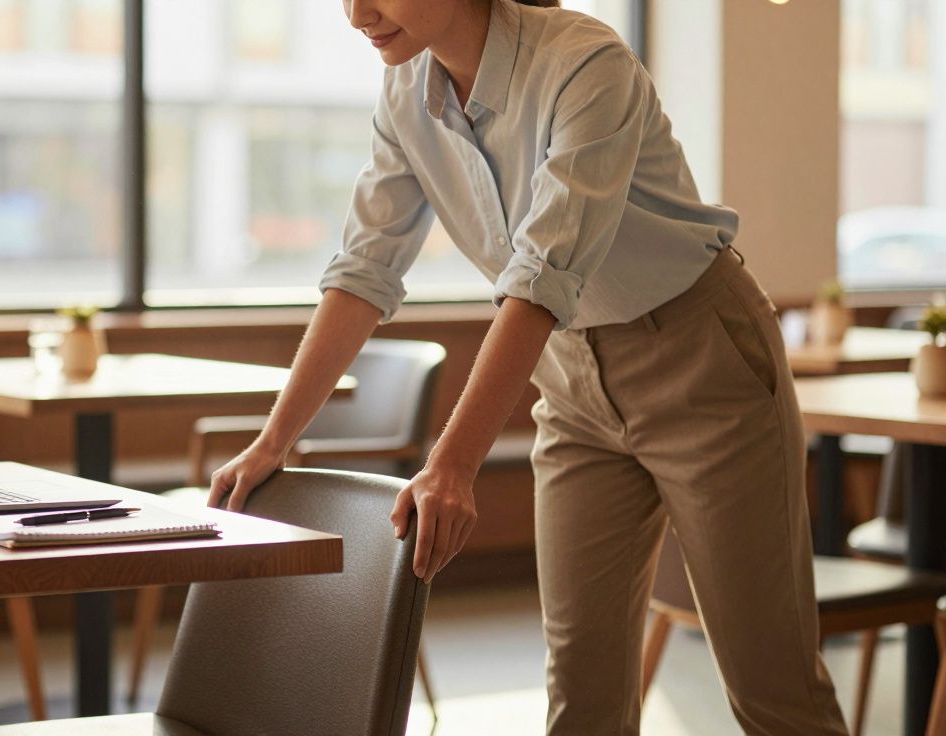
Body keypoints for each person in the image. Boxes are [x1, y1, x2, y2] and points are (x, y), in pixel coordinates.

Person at [207, 0, 850, 733]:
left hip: (700, 359)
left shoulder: (586, 63)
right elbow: (363, 270)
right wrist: (274, 438)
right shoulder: (407, 92)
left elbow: (543, 274)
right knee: (582, 693)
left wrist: (452, 464)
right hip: (570, 380)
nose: (356, 13)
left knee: (772, 687)